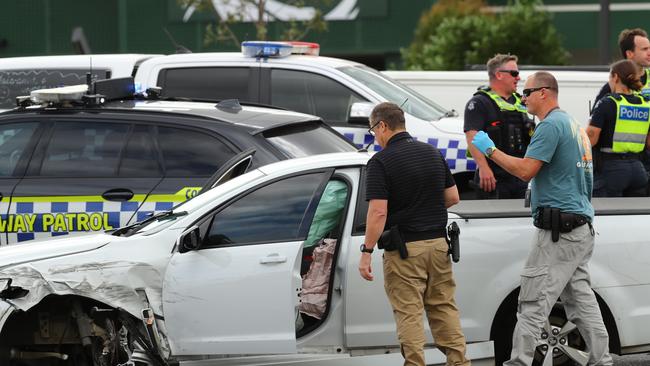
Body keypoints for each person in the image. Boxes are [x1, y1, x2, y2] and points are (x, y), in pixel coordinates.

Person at [472, 71, 613, 366]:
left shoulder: (550, 126)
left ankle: (520, 362)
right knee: (581, 303)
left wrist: (490, 150)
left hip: (559, 231)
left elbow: (525, 170)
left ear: (544, 92)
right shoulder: (572, 125)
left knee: (533, 301)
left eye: (528, 92)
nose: (523, 98)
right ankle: (602, 360)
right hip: (579, 227)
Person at [358, 102, 470, 366]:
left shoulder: (380, 162)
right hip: (439, 246)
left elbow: (377, 213)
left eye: (373, 129)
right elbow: (453, 197)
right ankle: (459, 362)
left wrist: (366, 252)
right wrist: (425, 207)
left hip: (406, 250)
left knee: (409, 313)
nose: (374, 136)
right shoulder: (431, 153)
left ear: (383, 125)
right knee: (444, 308)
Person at [464, 53, 535, 199]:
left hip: (519, 178)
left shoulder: (521, 102)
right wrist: (484, 168)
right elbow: (472, 136)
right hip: (494, 179)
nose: (518, 78)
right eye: (514, 73)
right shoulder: (479, 102)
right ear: (499, 75)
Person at [588, 59, 650, 197]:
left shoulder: (607, 102)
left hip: (611, 171)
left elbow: (590, 140)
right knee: (637, 217)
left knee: (606, 216)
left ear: (615, 77)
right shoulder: (645, 104)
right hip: (638, 171)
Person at [595, 28, 650, 102]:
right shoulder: (616, 82)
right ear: (629, 54)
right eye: (645, 49)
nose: (649, 53)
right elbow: (596, 112)